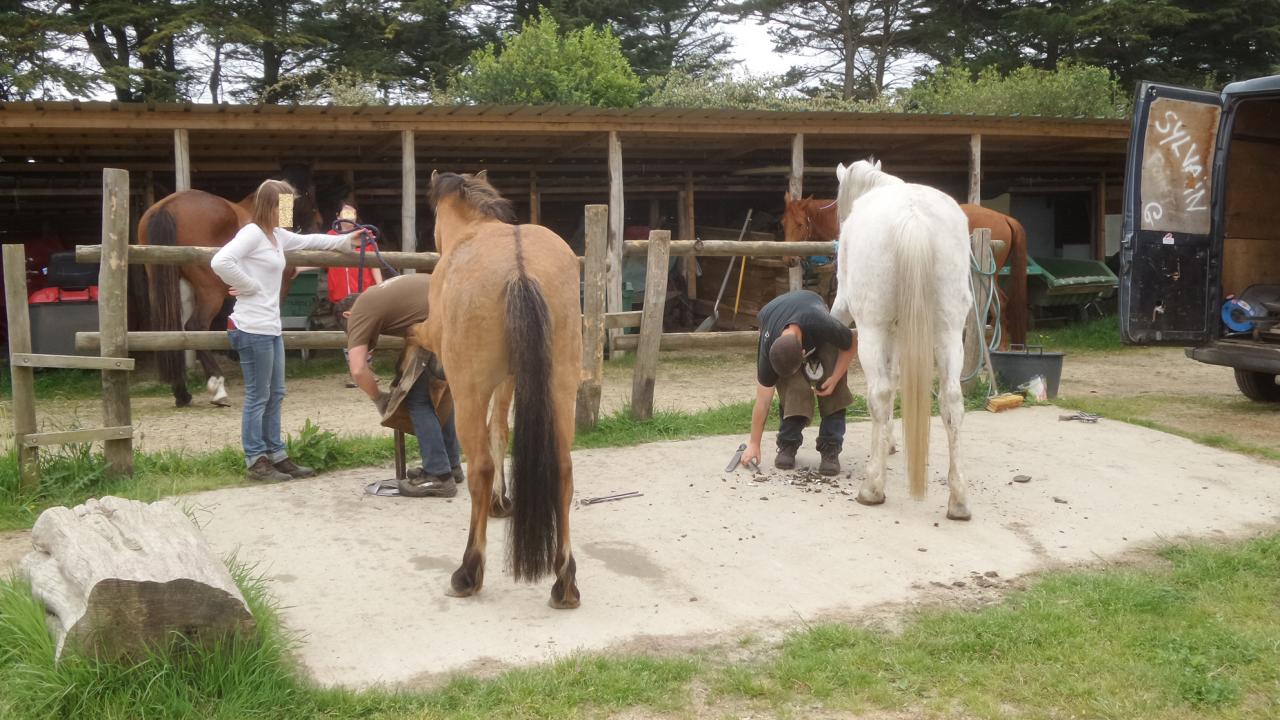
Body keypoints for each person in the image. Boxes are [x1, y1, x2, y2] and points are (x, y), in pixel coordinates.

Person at [211, 179, 369, 482]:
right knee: (259, 396)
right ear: (271, 205)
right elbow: (221, 260)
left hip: (270, 327)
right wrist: (248, 285)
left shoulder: (277, 236)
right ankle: (256, 459)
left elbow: (312, 242)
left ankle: (276, 454)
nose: (288, 211)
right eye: (284, 205)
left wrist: (345, 240)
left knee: (276, 393)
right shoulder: (253, 234)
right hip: (252, 327)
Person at [334, 273, 462, 498]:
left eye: (351, 330)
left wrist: (379, 399)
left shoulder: (361, 309)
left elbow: (358, 369)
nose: (360, 335)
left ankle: (439, 476)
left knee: (417, 399)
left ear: (348, 314)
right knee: (441, 395)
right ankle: (451, 466)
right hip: (461, 318)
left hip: (444, 325)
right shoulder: (383, 296)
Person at [742, 289, 857, 476]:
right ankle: (788, 443)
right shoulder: (768, 348)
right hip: (775, 313)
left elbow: (852, 342)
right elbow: (762, 402)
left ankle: (830, 448)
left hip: (813, 315)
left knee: (832, 387)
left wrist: (835, 377)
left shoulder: (821, 322)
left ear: (804, 352)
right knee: (794, 388)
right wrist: (753, 444)